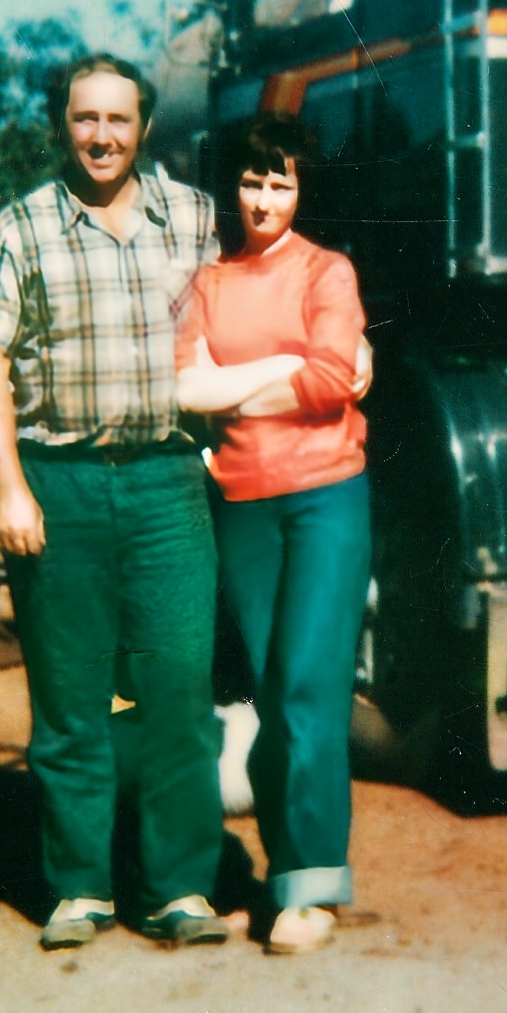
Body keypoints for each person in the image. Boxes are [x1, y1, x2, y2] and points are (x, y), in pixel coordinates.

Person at [0, 53, 230, 952]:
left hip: (168, 483)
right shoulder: (22, 226)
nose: (101, 136)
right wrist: (8, 484)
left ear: (144, 126)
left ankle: (179, 885)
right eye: (84, 119)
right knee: (72, 698)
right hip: (59, 485)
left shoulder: (192, 217)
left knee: (179, 690)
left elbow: (244, 327)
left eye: (117, 119)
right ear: (61, 125)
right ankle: (80, 885)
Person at [174, 113, 372, 956]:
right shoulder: (208, 283)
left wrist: (234, 382)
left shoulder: (327, 271)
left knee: (307, 683)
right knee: (264, 691)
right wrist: (282, 375)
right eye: (253, 181)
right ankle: (277, 873)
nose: (263, 198)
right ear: (234, 186)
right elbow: (184, 388)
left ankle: (312, 885)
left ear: (301, 188)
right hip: (243, 499)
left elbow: (335, 377)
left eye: (280, 182)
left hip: (325, 496)